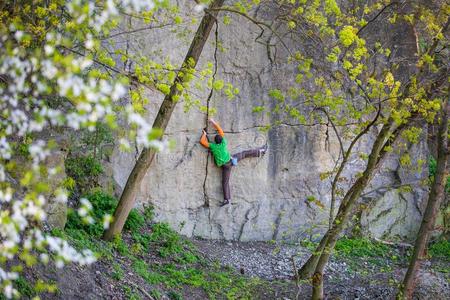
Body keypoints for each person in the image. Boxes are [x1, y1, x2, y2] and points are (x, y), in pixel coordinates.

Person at [200, 118, 268, 206]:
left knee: (225, 183)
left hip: (223, 166)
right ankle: (260, 151)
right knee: (244, 154)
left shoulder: (213, 146)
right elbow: (220, 131)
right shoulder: (223, 143)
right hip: (230, 162)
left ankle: (227, 200)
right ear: (221, 140)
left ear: (215, 141)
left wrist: (204, 134)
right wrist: (213, 122)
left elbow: (202, 141)